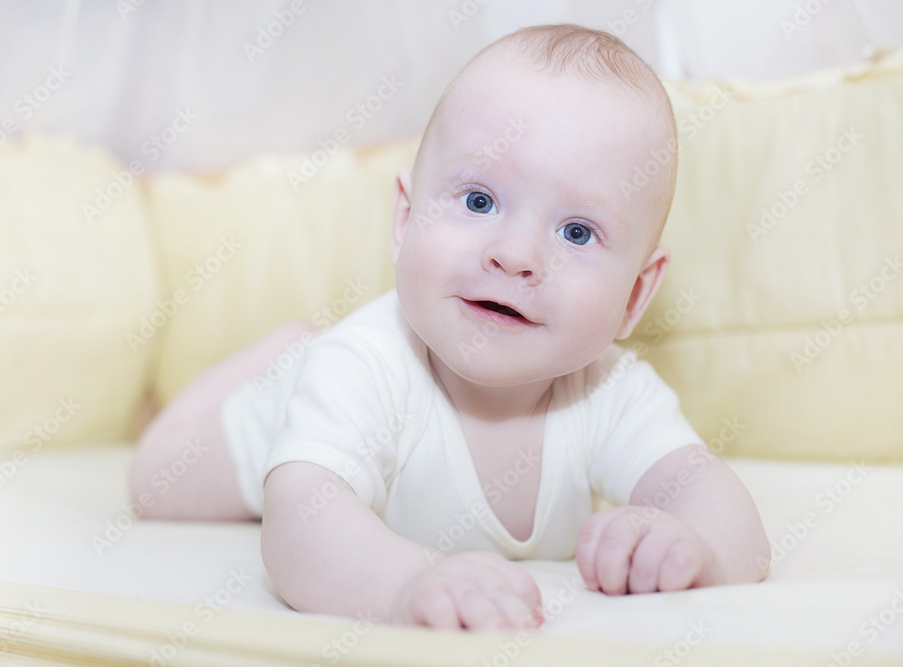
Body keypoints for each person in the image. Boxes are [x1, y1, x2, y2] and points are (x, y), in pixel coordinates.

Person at [128, 24, 769, 633]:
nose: (514, 254)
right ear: (405, 222)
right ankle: (281, 354)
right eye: (478, 200)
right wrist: (407, 586)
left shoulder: (610, 394)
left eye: (577, 231)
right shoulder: (362, 364)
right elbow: (298, 525)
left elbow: (718, 503)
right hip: (280, 409)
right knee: (154, 483)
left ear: (633, 297)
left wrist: (697, 549)